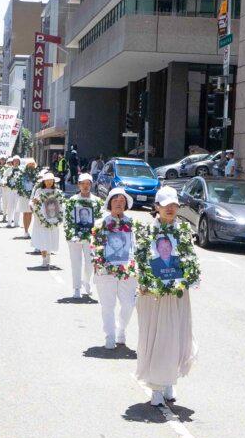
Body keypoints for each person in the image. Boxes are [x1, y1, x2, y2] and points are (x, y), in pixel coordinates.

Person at [136, 187, 198, 406]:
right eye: (166, 204)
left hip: (176, 294)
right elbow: (141, 261)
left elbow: (190, 259)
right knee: (155, 336)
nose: (170, 208)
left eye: (174, 205)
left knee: (174, 335)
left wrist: (189, 277)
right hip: (153, 295)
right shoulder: (146, 231)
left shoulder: (182, 230)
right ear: (156, 207)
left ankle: (169, 381)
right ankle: (156, 387)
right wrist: (147, 282)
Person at [94, 188, 138, 349]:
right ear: (109, 203)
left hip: (128, 271)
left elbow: (139, 245)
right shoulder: (101, 223)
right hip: (106, 272)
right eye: (115, 201)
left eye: (122, 201)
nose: (119, 204)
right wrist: (100, 261)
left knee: (128, 304)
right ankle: (110, 335)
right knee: (108, 305)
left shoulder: (133, 223)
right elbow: (95, 247)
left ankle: (121, 329)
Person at [65, 173, 98, 298]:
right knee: (76, 262)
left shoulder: (96, 201)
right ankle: (77, 288)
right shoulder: (72, 200)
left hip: (91, 237)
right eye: (83, 183)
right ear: (78, 185)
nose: (85, 186)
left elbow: (100, 220)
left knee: (90, 263)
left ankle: (87, 281)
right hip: (75, 236)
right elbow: (67, 218)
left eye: (88, 184)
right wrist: (70, 233)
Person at [31, 171, 63, 268]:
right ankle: (44, 259)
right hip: (41, 220)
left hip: (52, 218)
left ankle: (48, 259)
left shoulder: (57, 192)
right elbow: (33, 203)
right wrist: (35, 203)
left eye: (51, 181)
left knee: (51, 238)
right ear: (43, 181)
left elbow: (60, 204)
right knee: (43, 238)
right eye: (47, 181)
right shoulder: (39, 191)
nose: (49, 182)